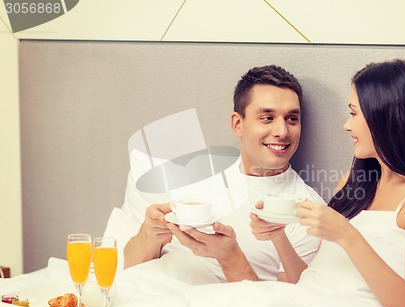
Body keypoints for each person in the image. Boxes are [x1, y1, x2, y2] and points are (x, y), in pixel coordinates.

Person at [250, 59, 405, 307]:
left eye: (354, 113)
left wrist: (347, 235)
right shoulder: (352, 185)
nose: (347, 126)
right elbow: (312, 280)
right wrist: (279, 238)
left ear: (387, 117)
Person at [123, 64, 324, 283]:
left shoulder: (308, 210)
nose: (282, 132)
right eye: (267, 118)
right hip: (149, 298)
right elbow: (130, 269)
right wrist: (149, 234)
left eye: (291, 119)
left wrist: (229, 256)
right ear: (238, 124)